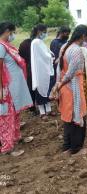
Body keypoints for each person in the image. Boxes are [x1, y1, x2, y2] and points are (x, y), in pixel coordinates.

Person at [53, 25, 87, 155]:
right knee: (78, 117)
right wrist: (61, 83)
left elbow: (59, 68)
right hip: (73, 87)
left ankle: (67, 146)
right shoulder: (76, 51)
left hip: (65, 87)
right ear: (83, 36)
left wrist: (58, 84)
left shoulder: (65, 47)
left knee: (68, 117)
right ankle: (76, 149)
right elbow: (71, 73)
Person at [0, 22, 33, 156]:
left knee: (16, 113)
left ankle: (16, 138)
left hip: (15, 86)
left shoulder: (6, 46)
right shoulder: (1, 46)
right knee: (7, 117)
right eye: (12, 32)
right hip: (7, 88)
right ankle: (7, 147)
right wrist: (1, 89)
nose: (13, 35)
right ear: (7, 31)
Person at [31, 24, 55, 120]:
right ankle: (42, 112)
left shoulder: (40, 41)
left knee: (47, 88)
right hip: (40, 69)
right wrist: (51, 56)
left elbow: (47, 52)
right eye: (44, 32)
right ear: (39, 32)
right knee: (41, 89)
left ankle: (48, 109)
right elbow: (45, 55)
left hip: (44, 69)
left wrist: (50, 54)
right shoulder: (36, 42)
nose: (45, 34)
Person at [19, 35, 36, 114]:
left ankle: (31, 106)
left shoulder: (24, 43)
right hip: (32, 68)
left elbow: (20, 55)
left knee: (30, 87)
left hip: (26, 67)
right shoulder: (33, 44)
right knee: (33, 88)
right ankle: (32, 106)